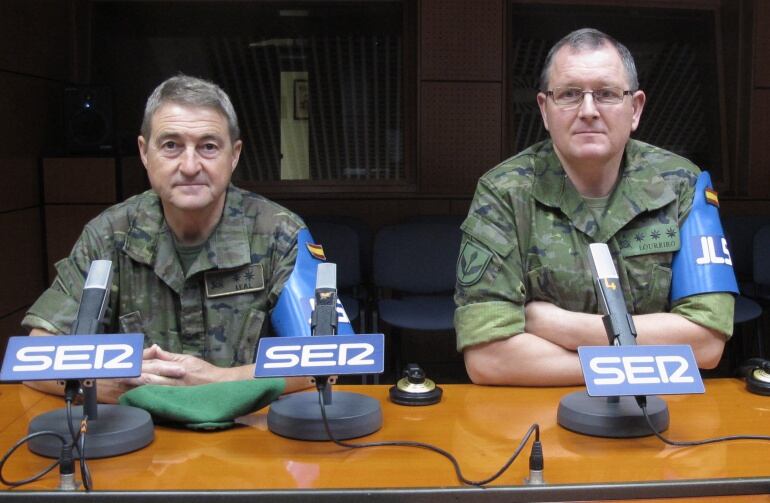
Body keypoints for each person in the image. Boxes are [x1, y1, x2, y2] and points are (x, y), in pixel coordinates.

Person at [454, 28, 735, 386]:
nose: (588, 110)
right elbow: (489, 358)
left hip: (660, 415)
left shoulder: (682, 183)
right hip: (541, 415)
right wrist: (642, 360)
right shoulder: (504, 192)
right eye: (570, 94)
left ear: (635, 108)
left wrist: (563, 326)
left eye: (606, 94)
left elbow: (706, 343)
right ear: (545, 109)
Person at [23, 74, 313, 402]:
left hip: (245, 435)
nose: (190, 166)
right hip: (139, 436)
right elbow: (38, 356)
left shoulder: (280, 233)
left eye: (208, 146)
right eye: (171, 145)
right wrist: (120, 384)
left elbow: (321, 360)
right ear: (145, 153)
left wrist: (220, 381)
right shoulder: (109, 235)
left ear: (234, 155)